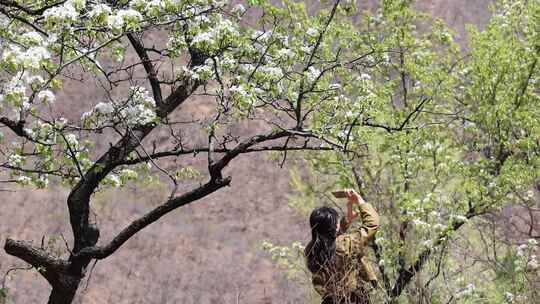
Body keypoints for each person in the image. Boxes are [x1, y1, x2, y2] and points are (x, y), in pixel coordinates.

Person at [304, 189, 380, 304]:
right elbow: (372, 224)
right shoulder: (347, 243)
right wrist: (359, 200)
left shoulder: (310, 251)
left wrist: (347, 220)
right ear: (334, 227)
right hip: (354, 299)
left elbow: (330, 241)